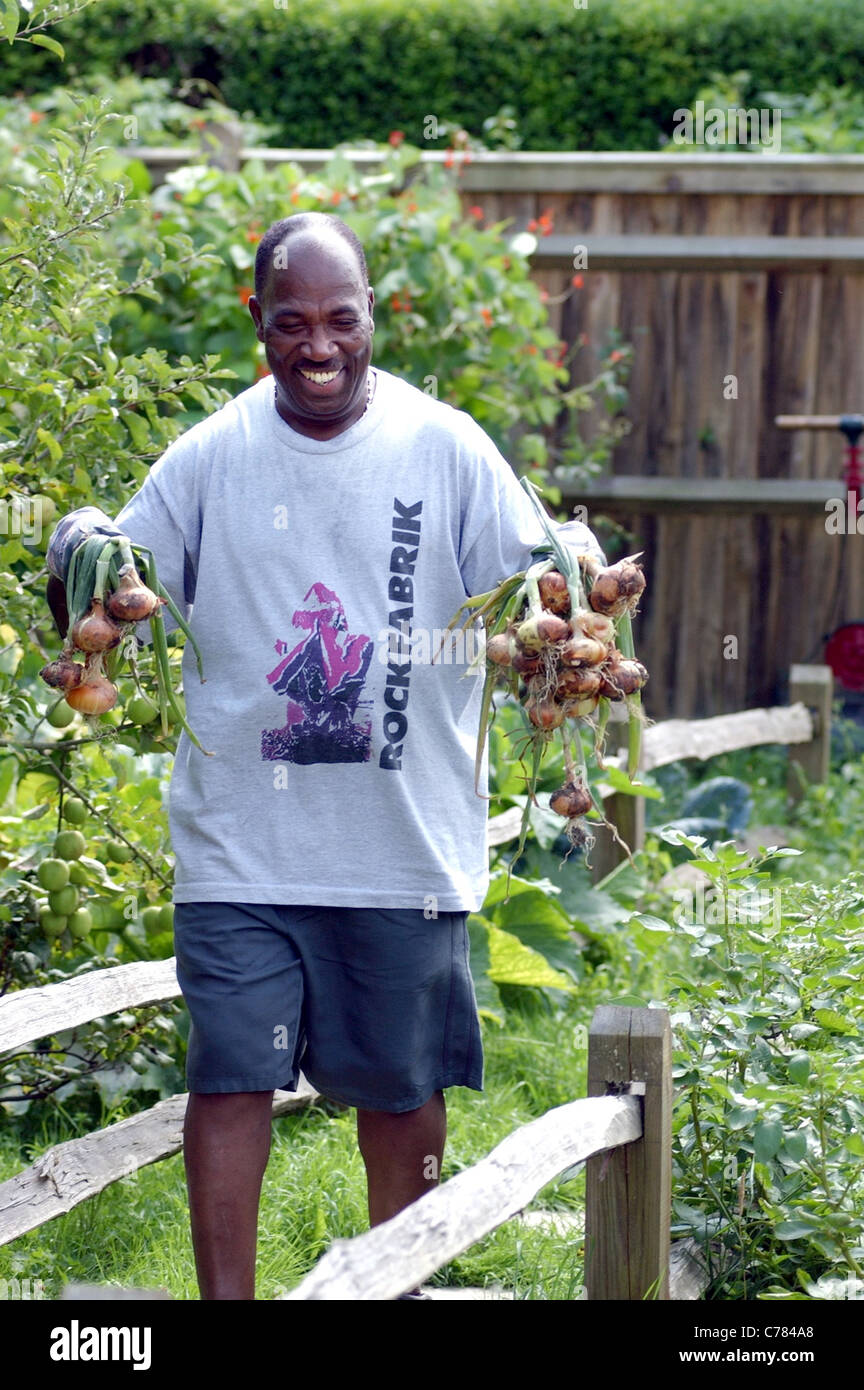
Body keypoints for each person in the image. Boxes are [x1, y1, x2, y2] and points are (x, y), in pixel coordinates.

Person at [45, 211, 605, 1300]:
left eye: (340, 321)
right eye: (290, 322)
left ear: (371, 318)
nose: (317, 346)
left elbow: (544, 576)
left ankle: (398, 1290)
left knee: (404, 1096)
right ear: (257, 320)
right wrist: (80, 548)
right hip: (242, 850)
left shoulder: (445, 446)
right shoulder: (211, 456)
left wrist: (577, 576)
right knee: (232, 1077)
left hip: (402, 850)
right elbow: (122, 575)